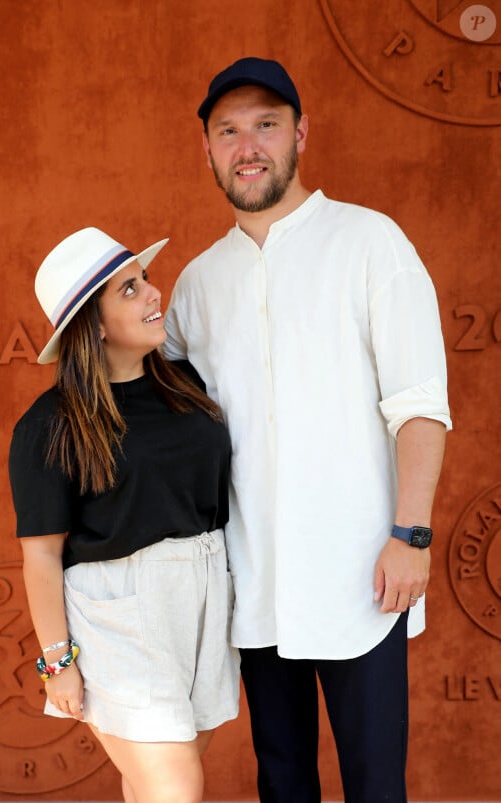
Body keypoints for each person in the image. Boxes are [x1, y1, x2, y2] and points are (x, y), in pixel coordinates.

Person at [163, 57, 452, 803]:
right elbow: (162, 416)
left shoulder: (369, 242)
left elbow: (419, 400)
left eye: (266, 124)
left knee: (374, 784)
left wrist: (411, 534)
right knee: (282, 781)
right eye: (228, 131)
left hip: (365, 576)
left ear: (301, 134)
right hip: (254, 580)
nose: (247, 145)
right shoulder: (197, 282)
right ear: (207, 150)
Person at [8, 226, 239, 803]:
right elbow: (41, 553)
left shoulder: (186, 386)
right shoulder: (51, 424)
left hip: (205, 597)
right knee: (176, 788)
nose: (154, 294)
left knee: (151, 784)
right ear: (94, 324)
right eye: (129, 290)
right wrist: (57, 661)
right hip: (118, 616)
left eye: (144, 280)